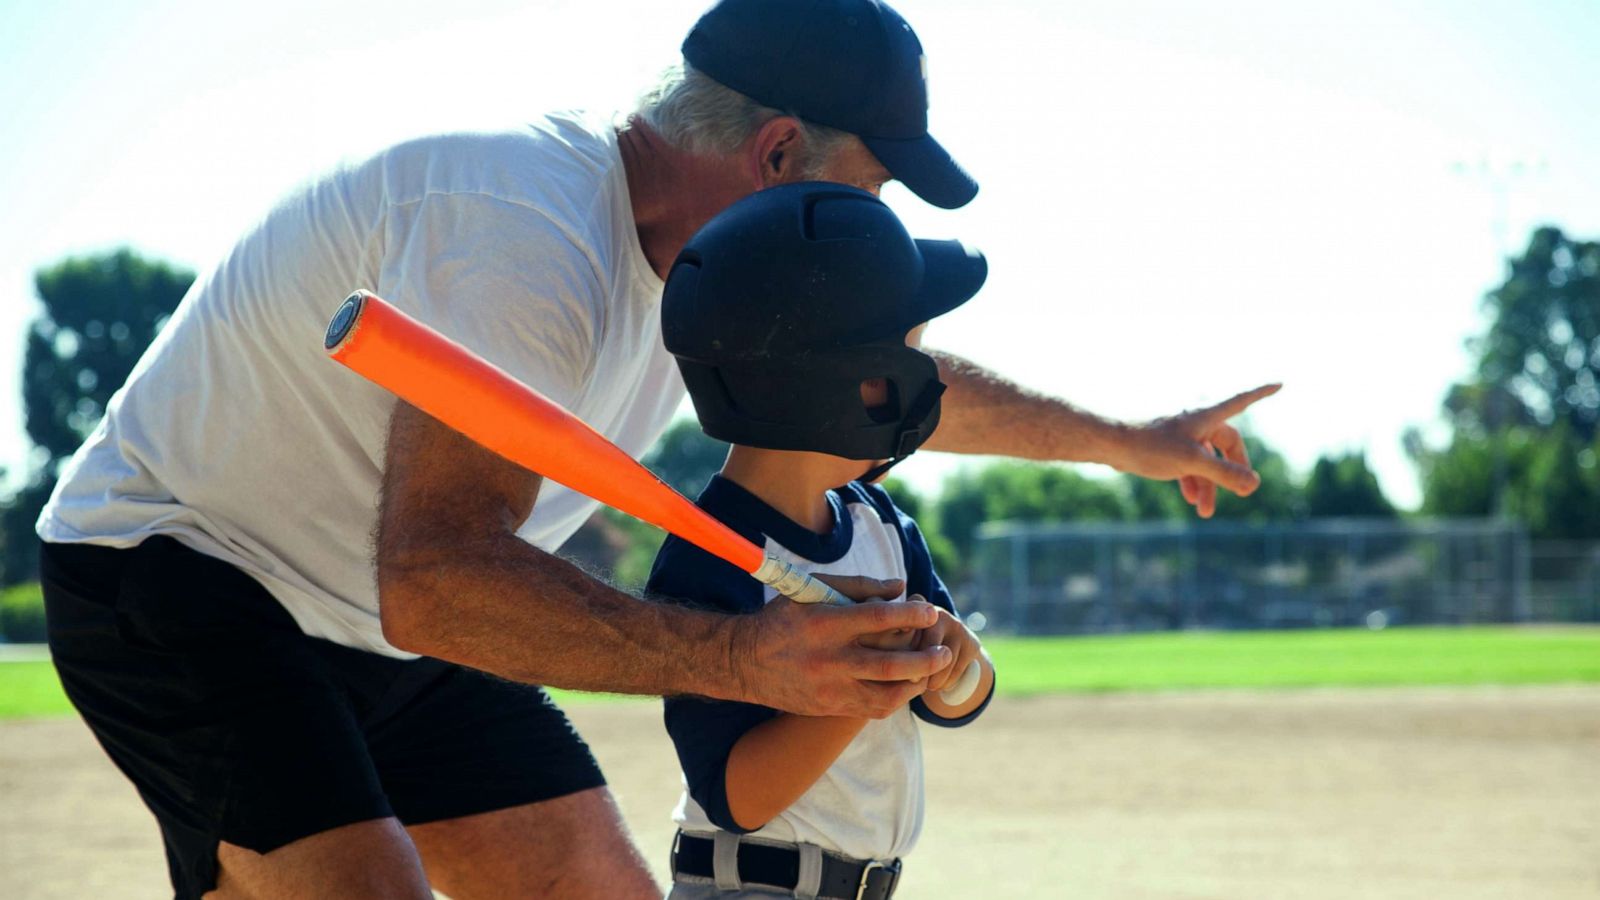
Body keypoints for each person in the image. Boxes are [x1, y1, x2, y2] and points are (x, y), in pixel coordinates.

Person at [36, 0, 1274, 896]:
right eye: (869, 197)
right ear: (776, 154)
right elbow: (436, 574)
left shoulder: (718, 264)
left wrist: (1133, 441)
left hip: (390, 617)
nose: (872, 240)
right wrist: (745, 656)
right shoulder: (523, 231)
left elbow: (880, 385)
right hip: (192, 582)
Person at [650, 182, 995, 900]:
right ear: (853, 386)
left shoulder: (883, 528)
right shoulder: (706, 557)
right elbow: (738, 797)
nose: (925, 377)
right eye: (911, 356)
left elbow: (955, 699)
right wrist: (861, 687)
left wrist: (958, 664)